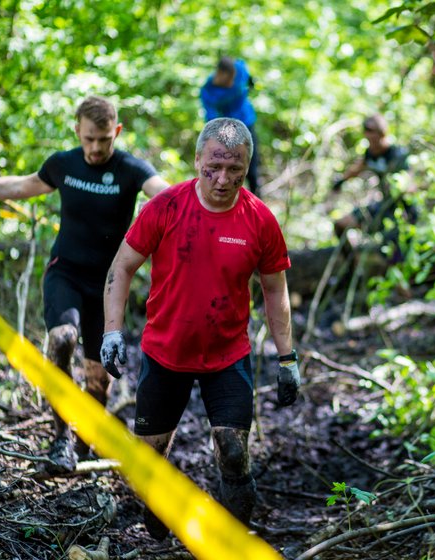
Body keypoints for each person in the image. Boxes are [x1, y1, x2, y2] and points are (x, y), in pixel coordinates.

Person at [100, 117, 300, 537]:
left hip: (227, 357)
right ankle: (159, 507)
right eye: (213, 168)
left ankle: (232, 536)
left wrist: (288, 359)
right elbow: (122, 266)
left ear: (247, 168)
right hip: (165, 352)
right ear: (196, 161)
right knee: (148, 459)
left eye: (235, 171)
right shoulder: (165, 207)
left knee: (232, 451)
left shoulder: (260, 220)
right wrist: (112, 332)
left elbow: (274, 290)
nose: (223, 180)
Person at [0, 95, 169, 473]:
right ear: (77, 131)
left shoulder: (131, 169)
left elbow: (168, 196)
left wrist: (210, 203)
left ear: (117, 132)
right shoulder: (63, 164)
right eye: (89, 138)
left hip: (108, 286)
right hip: (66, 273)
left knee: (98, 381)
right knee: (61, 339)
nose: (95, 148)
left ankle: (84, 439)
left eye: (104, 140)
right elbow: (22, 186)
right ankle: (60, 439)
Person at [331, 113, 415, 244]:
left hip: (402, 211)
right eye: (366, 134)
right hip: (382, 207)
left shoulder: (398, 155)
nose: (369, 139)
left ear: (382, 134)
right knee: (341, 224)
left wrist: (401, 189)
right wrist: (340, 181)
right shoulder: (370, 153)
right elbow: (357, 168)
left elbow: (411, 182)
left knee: (393, 249)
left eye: (373, 135)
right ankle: (353, 262)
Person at [200, 56, 261, 194]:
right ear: (220, 74)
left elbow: (244, 67)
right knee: (230, 167)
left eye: (234, 78)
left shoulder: (239, 69)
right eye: (229, 79)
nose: (232, 82)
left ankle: (257, 201)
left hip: (247, 122)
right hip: (228, 133)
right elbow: (211, 120)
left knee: (252, 168)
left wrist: (251, 81)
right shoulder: (208, 92)